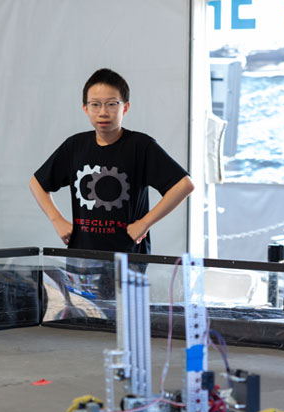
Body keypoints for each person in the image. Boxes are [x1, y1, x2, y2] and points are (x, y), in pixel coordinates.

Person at [30, 68, 194, 299]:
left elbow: (184, 185)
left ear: (125, 107)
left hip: (127, 258)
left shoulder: (141, 146)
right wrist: (57, 220)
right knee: (85, 314)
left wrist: (145, 223)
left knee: (123, 316)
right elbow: (37, 183)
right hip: (82, 258)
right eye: (95, 104)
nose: (103, 112)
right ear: (85, 108)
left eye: (111, 104)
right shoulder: (75, 146)